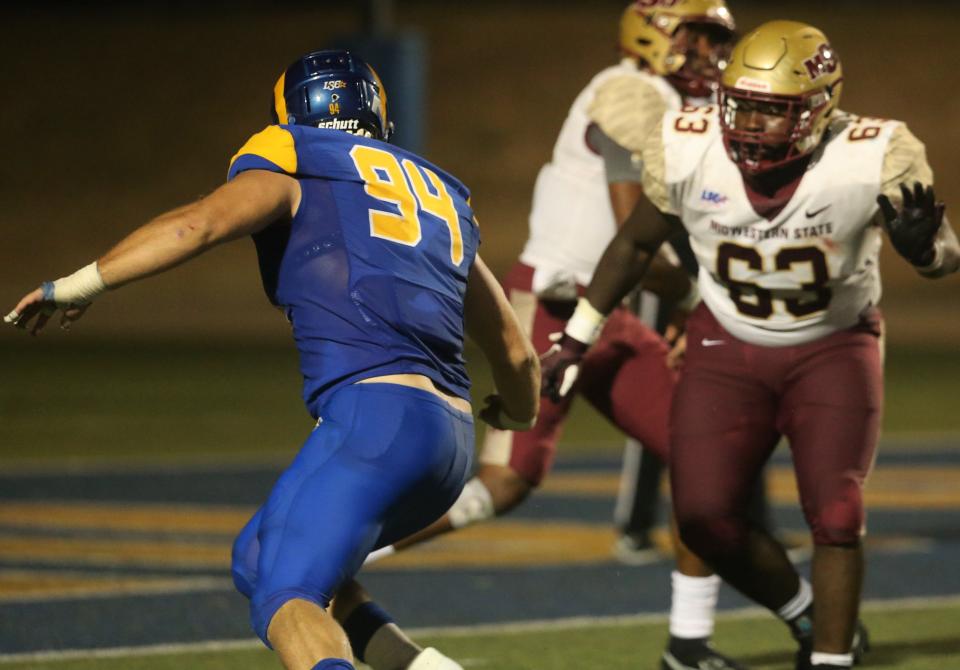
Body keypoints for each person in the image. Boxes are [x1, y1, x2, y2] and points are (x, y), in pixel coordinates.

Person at [5, 49, 541, 670]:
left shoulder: (295, 152)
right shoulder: (441, 194)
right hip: (448, 443)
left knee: (288, 595)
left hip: (377, 419)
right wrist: (520, 415)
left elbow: (196, 226)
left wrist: (77, 284)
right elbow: (514, 352)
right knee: (259, 558)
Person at [541, 19, 959, 670]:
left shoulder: (875, 151)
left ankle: (831, 661)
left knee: (838, 513)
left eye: (772, 110)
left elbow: (945, 255)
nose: (750, 124)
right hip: (727, 342)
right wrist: (576, 337)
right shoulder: (687, 143)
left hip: (833, 345)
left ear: (819, 108)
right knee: (703, 516)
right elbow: (633, 244)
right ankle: (803, 610)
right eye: (742, 105)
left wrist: (926, 250)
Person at [364, 4, 751, 670]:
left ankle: (692, 644)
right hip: (551, 310)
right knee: (500, 487)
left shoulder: (679, 109)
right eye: (696, 36)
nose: (707, 53)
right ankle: (338, 550)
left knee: (703, 456)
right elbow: (636, 234)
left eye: (717, 40)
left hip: (604, 317)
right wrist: (695, 297)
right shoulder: (629, 91)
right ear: (651, 33)